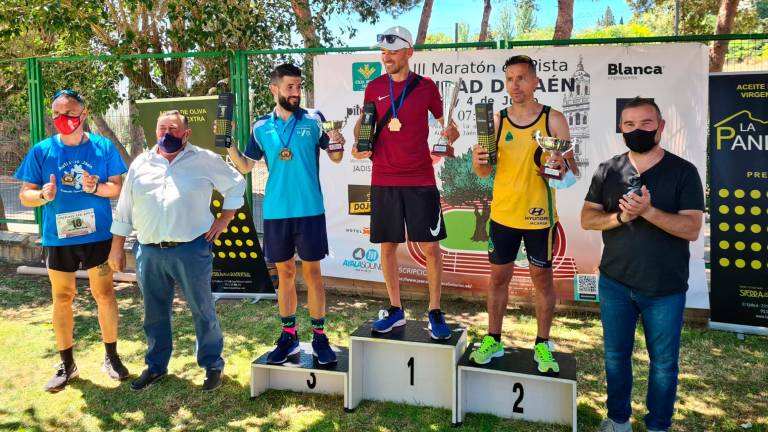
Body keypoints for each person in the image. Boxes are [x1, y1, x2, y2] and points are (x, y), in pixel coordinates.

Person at [580, 97, 704, 432]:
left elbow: (692, 228)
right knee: (615, 358)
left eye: (646, 123)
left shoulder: (684, 172)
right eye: (630, 124)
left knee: (663, 364)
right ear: (621, 128)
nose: (638, 130)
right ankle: (618, 419)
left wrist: (647, 212)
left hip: (664, 289)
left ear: (661, 126)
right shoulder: (609, 169)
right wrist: (622, 216)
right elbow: (587, 219)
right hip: (615, 284)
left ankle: (658, 425)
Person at [108, 110, 245, 392]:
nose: (166, 133)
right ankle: (156, 366)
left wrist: (225, 218)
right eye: (162, 128)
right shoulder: (141, 163)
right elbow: (124, 209)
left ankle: (211, 365)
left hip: (191, 250)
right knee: (154, 312)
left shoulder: (204, 159)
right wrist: (117, 248)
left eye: (173, 128)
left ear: (186, 134)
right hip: (149, 251)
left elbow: (236, 183)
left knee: (202, 309)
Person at [226, 63, 344, 365]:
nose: (296, 92)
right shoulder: (260, 126)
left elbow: (336, 155)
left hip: (310, 210)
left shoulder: (314, 120)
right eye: (290, 87)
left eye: (299, 86)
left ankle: (319, 338)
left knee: (313, 273)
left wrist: (338, 144)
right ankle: (289, 335)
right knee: (286, 274)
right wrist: (228, 145)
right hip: (277, 213)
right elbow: (246, 166)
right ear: (274, 89)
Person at [469, 55, 579, 375]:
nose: (515, 85)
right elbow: (482, 171)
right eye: (510, 79)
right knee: (498, 279)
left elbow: (572, 173)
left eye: (521, 78)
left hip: (539, 217)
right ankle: (494, 338)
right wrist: (478, 159)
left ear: (535, 82)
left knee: (541, 280)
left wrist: (558, 169)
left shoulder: (553, 119)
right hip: (503, 214)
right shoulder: (497, 120)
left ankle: (543, 344)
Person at [15, 89, 129, 392]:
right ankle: (67, 364)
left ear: (83, 112)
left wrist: (96, 187)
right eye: (56, 114)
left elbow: (116, 189)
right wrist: (42, 195)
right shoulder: (42, 151)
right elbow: (25, 195)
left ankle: (111, 357)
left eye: (69, 113)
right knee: (62, 298)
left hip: (98, 237)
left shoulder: (103, 148)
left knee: (104, 295)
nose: (62, 119)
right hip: (59, 239)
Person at [351, 26, 459, 339]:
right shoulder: (373, 87)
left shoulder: (426, 87)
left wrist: (451, 133)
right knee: (387, 247)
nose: (386, 57)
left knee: (431, 248)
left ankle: (435, 311)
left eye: (393, 52)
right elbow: (366, 122)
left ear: (409, 52)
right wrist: (360, 141)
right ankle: (395, 310)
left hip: (420, 178)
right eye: (383, 52)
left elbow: (446, 125)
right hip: (383, 178)